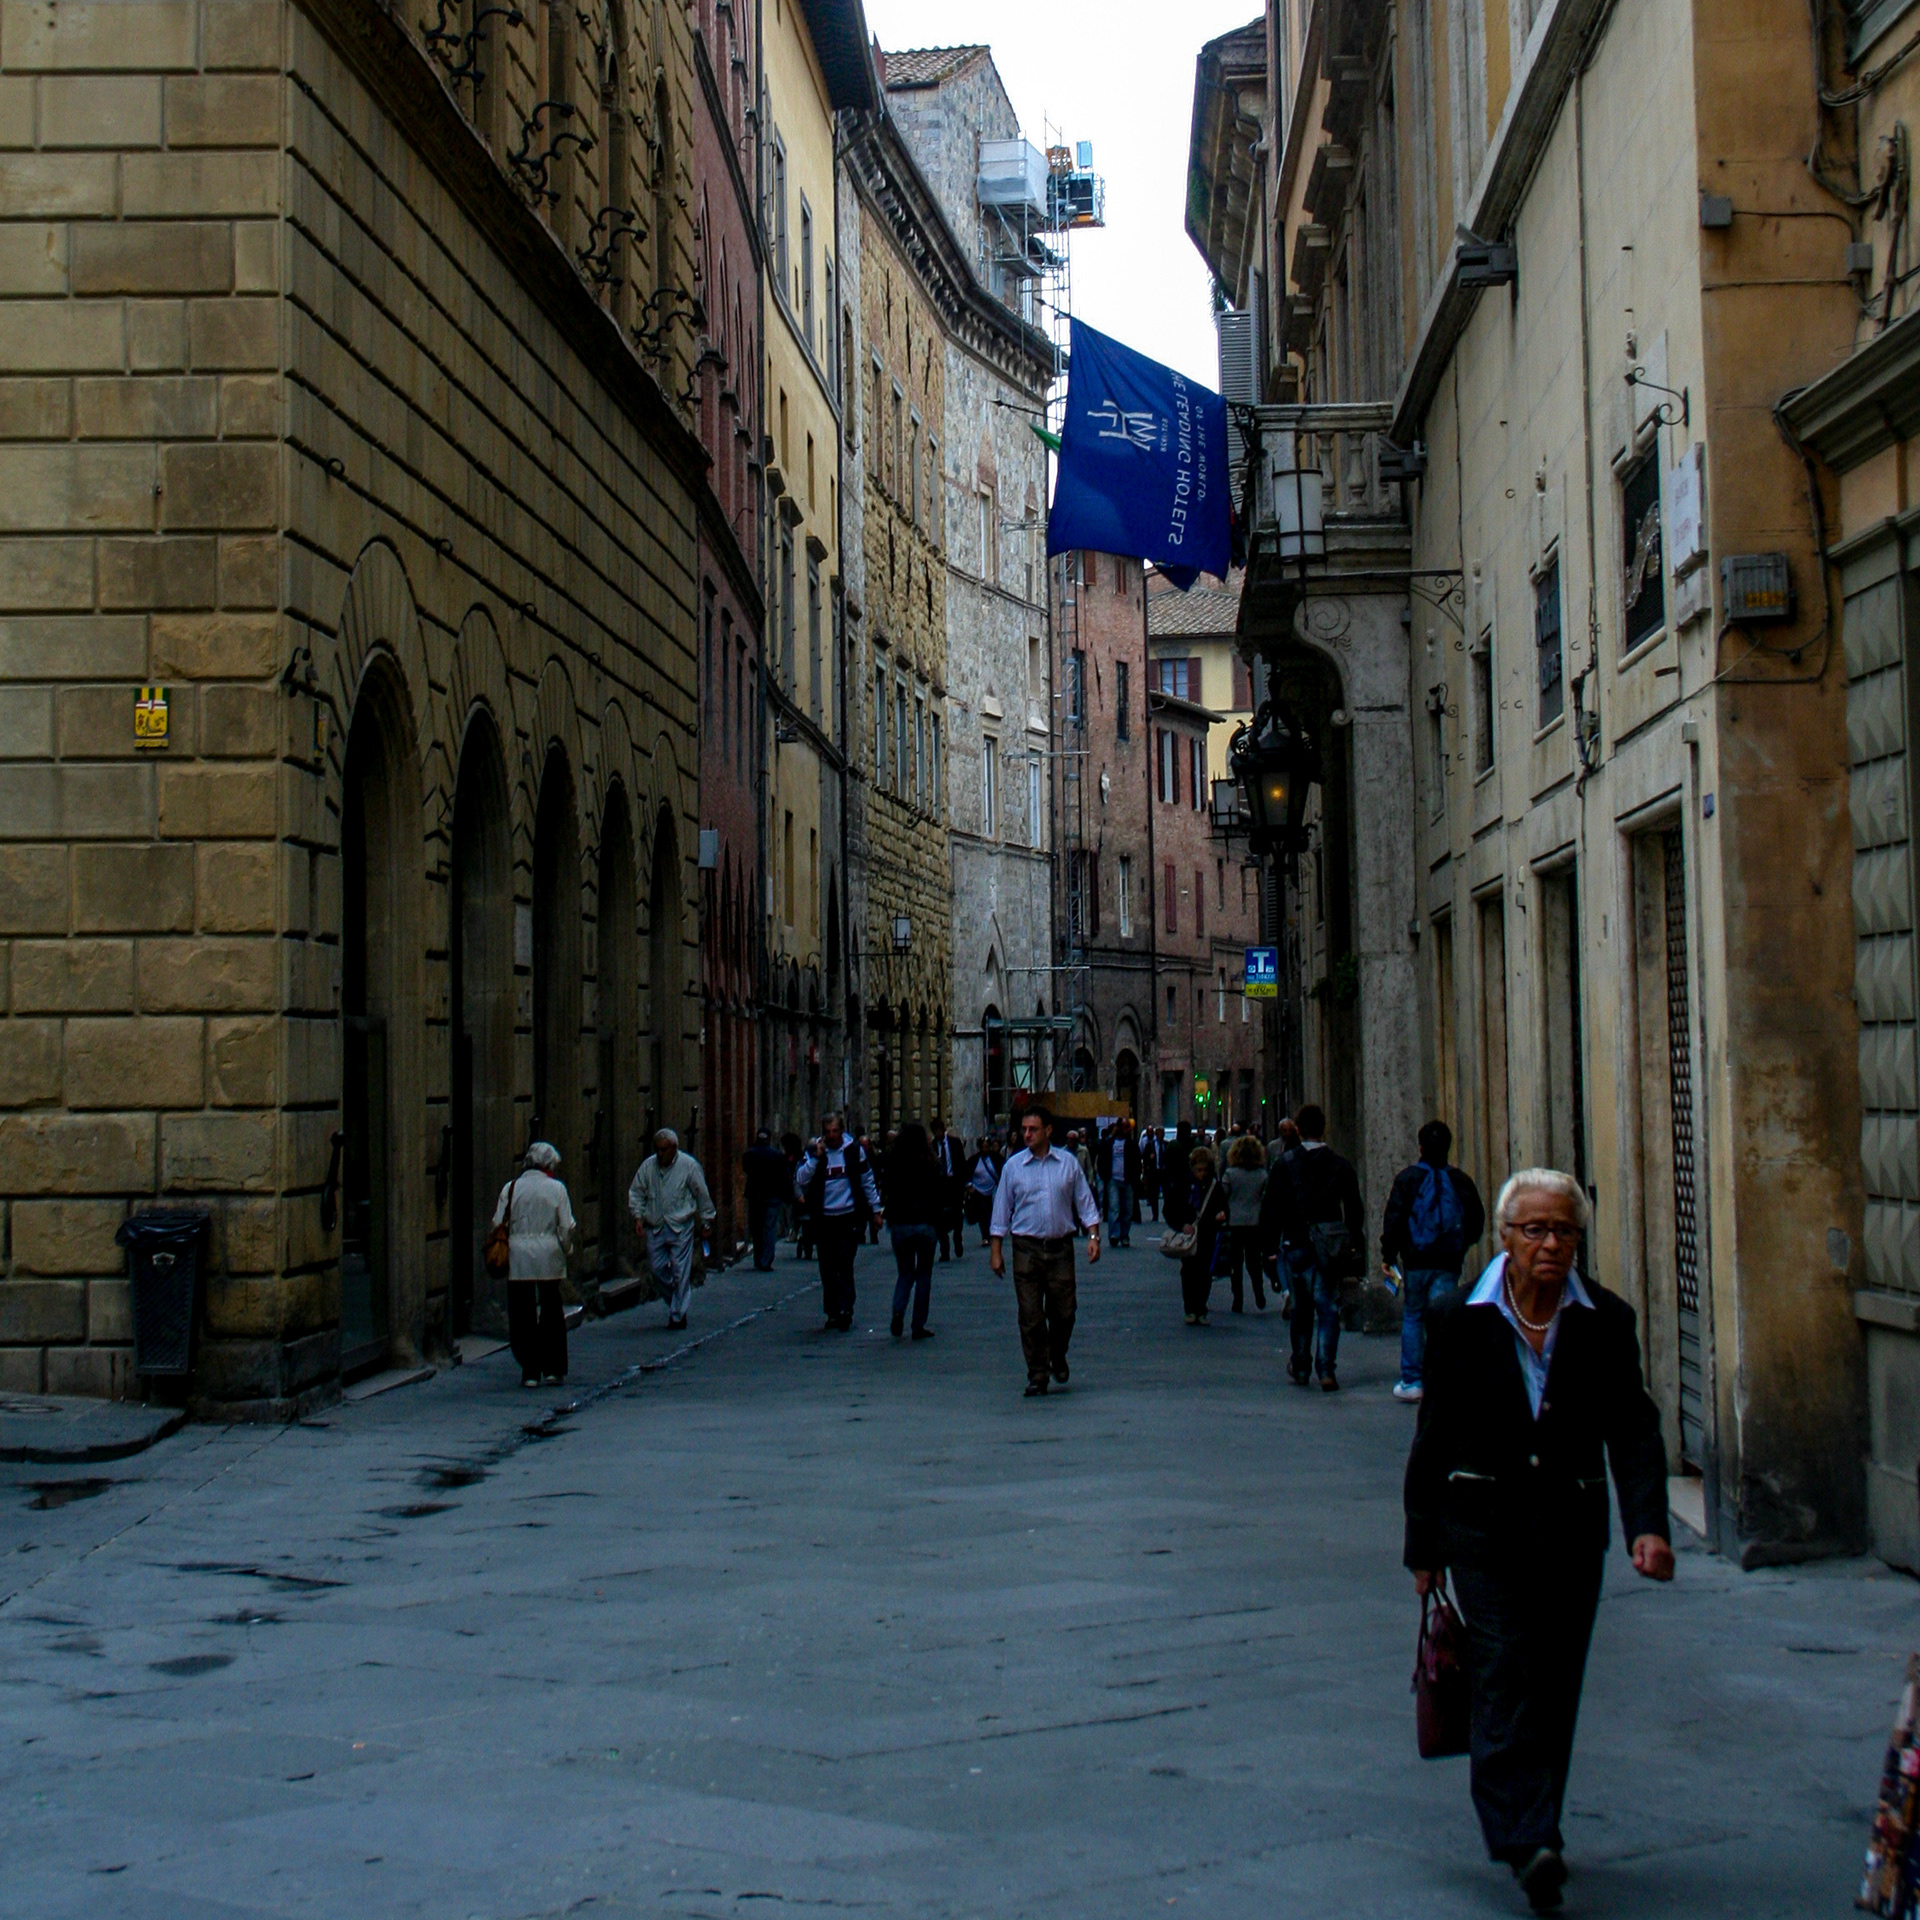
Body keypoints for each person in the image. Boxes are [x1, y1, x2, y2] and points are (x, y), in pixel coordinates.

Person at [1405, 1168, 1673, 1914]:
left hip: (1570, 1528)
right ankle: (1525, 1838)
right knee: (1504, 1672)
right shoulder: (1460, 1318)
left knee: (1555, 1681)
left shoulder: (1605, 1320)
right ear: (1505, 1237)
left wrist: (1648, 1526)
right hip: (1481, 1528)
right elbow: (1433, 1435)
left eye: (1564, 1231)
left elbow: (1634, 1428)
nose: (1550, 1244)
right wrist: (1423, 1546)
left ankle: (1537, 1821)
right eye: (1535, 1230)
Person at [990, 1105, 1101, 1397]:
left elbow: (1085, 1203)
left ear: (1048, 1131)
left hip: (1060, 1247)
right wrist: (996, 1249)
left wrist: (1093, 1236)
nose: (1027, 1134)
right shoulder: (1013, 1167)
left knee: (1065, 1311)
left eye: (1033, 1129)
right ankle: (1038, 1374)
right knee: (1030, 1315)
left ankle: (1057, 1353)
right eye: (1024, 1129)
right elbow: (1001, 1210)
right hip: (1025, 1248)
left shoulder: (1067, 1164)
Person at [1381, 1119, 1488, 1403]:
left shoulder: (1407, 1179)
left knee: (1414, 1315)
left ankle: (1412, 1380)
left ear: (1420, 1147)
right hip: (1448, 1262)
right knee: (1443, 1319)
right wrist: (1461, 1247)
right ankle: (1443, 1378)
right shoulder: (1460, 1180)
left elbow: (1394, 1220)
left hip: (1415, 1261)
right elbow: (1476, 1220)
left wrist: (1389, 1255)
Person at [1263, 1103, 1363, 1391]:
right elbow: (1354, 1208)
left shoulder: (1285, 1164)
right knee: (1328, 1306)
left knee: (1301, 1309)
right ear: (1324, 1128)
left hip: (1296, 1241)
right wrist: (1353, 1242)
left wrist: (1269, 1248)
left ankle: (1301, 1364)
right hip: (1329, 1244)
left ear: (1297, 1129)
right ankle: (1326, 1368)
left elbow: (1272, 1208)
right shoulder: (1340, 1165)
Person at [494, 1140, 574, 1388]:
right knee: (551, 1310)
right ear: (549, 1165)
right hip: (548, 1253)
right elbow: (566, 1227)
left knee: (522, 1313)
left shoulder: (511, 1188)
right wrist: (567, 1248)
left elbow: (498, 1222)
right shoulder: (557, 1188)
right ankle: (553, 1368)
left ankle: (529, 1369)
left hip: (518, 1254)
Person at [795, 1113, 883, 1330]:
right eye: (828, 1132)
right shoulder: (814, 1151)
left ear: (842, 1130)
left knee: (845, 1264)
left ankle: (845, 1308)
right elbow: (800, 1178)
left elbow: (867, 1180)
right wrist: (816, 1158)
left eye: (835, 1131)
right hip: (824, 1218)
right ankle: (832, 1311)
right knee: (827, 1267)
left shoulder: (854, 1150)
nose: (832, 1136)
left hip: (848, 1216)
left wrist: (876, 1209)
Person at [628, 1128, 716, 1331]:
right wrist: (638, 1216)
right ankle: (676, 1300)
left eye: (664, 1150)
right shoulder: (648, 1166)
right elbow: (637, 1192)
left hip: (680, 1224)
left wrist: (706, 1220)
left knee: (680, 1270)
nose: (660, 1154)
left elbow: (701, 1193)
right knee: (657, 1269)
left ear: (674, 1149)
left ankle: (677, 1315)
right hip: (656, 1225)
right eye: (658, 1149)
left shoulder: (688, 1166)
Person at [883, 1122, 942, 1339]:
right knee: (924, 1273)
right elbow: (937, 1192)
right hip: (925, 1223)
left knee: (905, 1272)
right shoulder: (930, 1162)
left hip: (900, 1223)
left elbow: (887, 1189)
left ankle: (898, 1311)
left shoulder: (893, 1161)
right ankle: (918, 1325)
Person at [1177, 1146, 1231, 1325]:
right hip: (1190, 1234)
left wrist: (1222, 1215)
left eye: (1205, 1170)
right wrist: (1182, 1224)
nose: (1202, 1174)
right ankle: (1191, 1308)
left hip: (1208, 1233)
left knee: (1204, 1273)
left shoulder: (1214, 1186)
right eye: (1198, 1170)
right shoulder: (1185, 1185)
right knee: (1189, 1272)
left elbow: (1224, 1207)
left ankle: (1200, 1308)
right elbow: (1172, 1208)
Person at [1222, 1132, 1269, 1312]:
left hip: (1235, 1222)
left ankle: (1238, 1297)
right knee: (1254, 1260)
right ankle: (1258, 1289)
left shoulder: (1230, 1174)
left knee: (1235, 1262)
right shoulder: (1262, 1175)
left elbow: (1223, 1195)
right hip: (1255, 1221)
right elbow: (1266, 1197)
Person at [742, 1128, 792, 1272]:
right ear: (769, 1139)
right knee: (769, 1228)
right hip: (773, 1196)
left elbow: (746, 1169)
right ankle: (766, 1261)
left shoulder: (749, 1154)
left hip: (755, 1196)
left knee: (757, 1228)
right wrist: (787, 1195)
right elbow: (784, 1176)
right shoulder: (777, 1155)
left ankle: (758, 1258)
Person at [930, 1118, 965, 1261]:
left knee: (957, 1213)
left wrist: (964, 1183)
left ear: (943, 1130)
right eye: (935, 1132)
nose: (937, 1134)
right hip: (939, 1186)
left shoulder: (954, 1143)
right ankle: (944, 1250)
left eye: (939, 1131)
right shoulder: (932, 1146)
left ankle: (957, 1237)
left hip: (954, 1183)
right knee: (938, 1219)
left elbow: (961, 1163)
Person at [1106, 1118, 1139, 1249]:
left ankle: (1124, 1235)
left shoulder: (1131, 1144)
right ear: (1119, 1127)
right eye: (1125, 1127)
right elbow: (1103, 1158)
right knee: (1114, 1208)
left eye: (1128, 1127)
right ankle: (1114, 1234)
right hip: (1113, 1180)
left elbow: (1136, 1161)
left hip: (1127, 1180)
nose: (1128, 1130)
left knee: (1127, 1210)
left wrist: (1135, 1178)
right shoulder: (1110, 1143)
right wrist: (1106, 1175)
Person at [966, 1136, 1001, 1245]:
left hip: (992, 1190)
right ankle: (985, 1236)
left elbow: (1002, 1170)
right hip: (978, 1190)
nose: (985, 1149)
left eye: (986, 1146)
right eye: (983, 1147)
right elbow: (967, 1173)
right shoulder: (974, 1160)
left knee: (990, 1212)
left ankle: (992, 1231)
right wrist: (969, 1185)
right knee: (982, 1213)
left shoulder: (996, 1158)